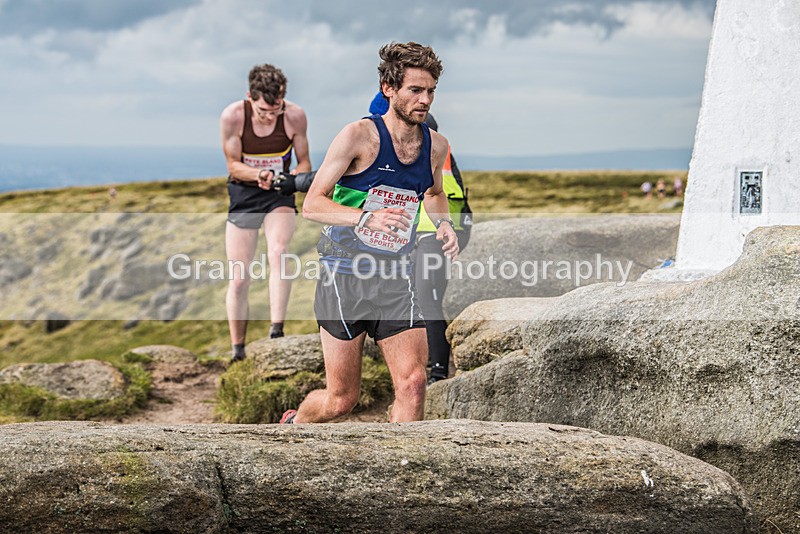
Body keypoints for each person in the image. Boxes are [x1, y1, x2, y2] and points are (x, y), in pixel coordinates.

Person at [281, 42, 458, 424]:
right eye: (415, 90)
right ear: (388, 88)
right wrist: (365, 217)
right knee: (341, 400)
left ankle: (401, 474)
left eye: (431, 91)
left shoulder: (435, 146)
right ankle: (295, 422)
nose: (425, 100)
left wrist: (444, 224)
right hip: (343, 276)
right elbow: (313, 203)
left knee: (412, 384)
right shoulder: (359, 137)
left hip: (396, 276)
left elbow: (435, 194)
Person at [220, 64, 311, 362]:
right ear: (250, 97)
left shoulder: (295, 116)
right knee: (239, 278)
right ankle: (238, 349)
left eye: (276, 110)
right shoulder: (233, 116)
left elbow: (304, 162)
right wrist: (257, 174)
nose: (271, 116)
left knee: (280, 252)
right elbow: (232, 164)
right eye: (263, 111)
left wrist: (292, 178)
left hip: (278, 194)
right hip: (244, 193)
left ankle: (276, 332)